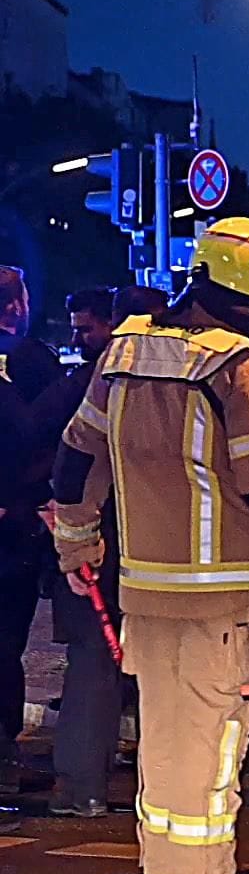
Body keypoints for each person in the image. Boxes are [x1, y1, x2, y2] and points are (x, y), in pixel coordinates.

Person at [51, 218, 249, 874]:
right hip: (225, 600)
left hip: (144, 593)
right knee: (216, 746)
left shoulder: (123, 353)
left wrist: (78, 543)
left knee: (166, 739)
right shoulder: (241, 367)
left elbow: (75, 462)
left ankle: (162, 866)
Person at [42, 287, 120, 819]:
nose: (77, 338)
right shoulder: (102, 386)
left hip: (85, 539)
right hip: (103, 542)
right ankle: (83, 783)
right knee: (98, 663)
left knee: (90, 664)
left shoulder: (88, 383)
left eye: (85, 328)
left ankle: (77, 781)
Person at [0, 264, 62, 792]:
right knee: (4, 638)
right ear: (16, 308)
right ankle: (2, 747)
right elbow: (57, 436)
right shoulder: (32, 363)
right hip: (13, 529)